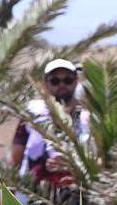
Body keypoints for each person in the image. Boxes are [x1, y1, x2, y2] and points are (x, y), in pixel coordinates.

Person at [11, 57, 89, 189]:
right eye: (55, 81)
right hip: (36, 193)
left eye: (67, 80)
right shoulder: (32, 113)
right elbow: (16, 155)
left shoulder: (86, 117)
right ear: (45, 84)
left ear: (76, 82)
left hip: (78, 193)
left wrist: (71, 164)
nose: (61, 85)